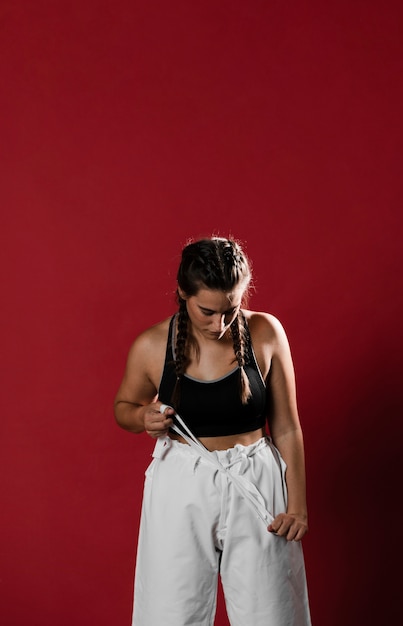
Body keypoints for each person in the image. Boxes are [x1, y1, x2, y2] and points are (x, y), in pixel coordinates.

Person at [114, 236, 311, 626]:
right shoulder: (152, 345)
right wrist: (143, 418)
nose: (219, 324)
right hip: (180, 480)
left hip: (256, 479)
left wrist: (298, 506)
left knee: (272, 613)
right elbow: (124, 408)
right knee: (169, 611)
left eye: (230, 310)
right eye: (207, 311)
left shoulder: (267, 333)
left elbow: (287, 427)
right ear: (182, 294)